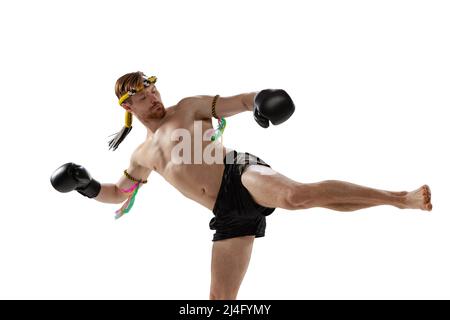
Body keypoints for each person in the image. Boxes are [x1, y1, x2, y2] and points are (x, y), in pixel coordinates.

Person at [51, 71, 432, 300]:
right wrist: (85, 185)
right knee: (219, 299)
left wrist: (261, 103)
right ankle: (398, 200)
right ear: (127, 106)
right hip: (227, 213)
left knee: (294, 197)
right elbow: (119, 193)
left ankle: (401, 198)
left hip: (238, 172)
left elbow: (241, 101)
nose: (153, 96)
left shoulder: (188, 106)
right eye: (142, 94)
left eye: (153, 88)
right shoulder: (141, 155)